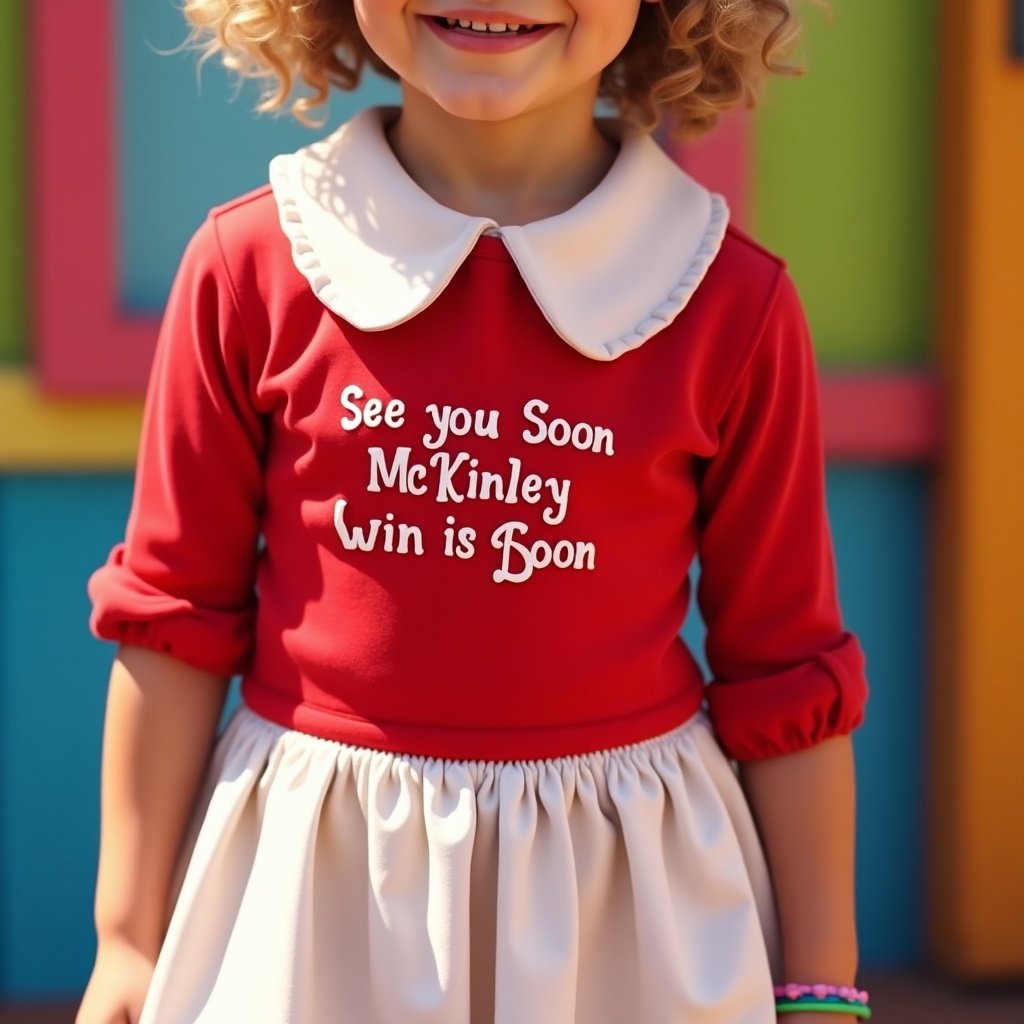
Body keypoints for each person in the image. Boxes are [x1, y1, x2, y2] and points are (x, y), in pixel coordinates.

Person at [77, 1, 871, 1022]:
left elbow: (782, 672)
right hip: (318, 896)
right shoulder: (247, 269)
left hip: (628, 912)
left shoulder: (729, 304)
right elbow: (171, 621)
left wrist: (821, 986)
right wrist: (127, 941)